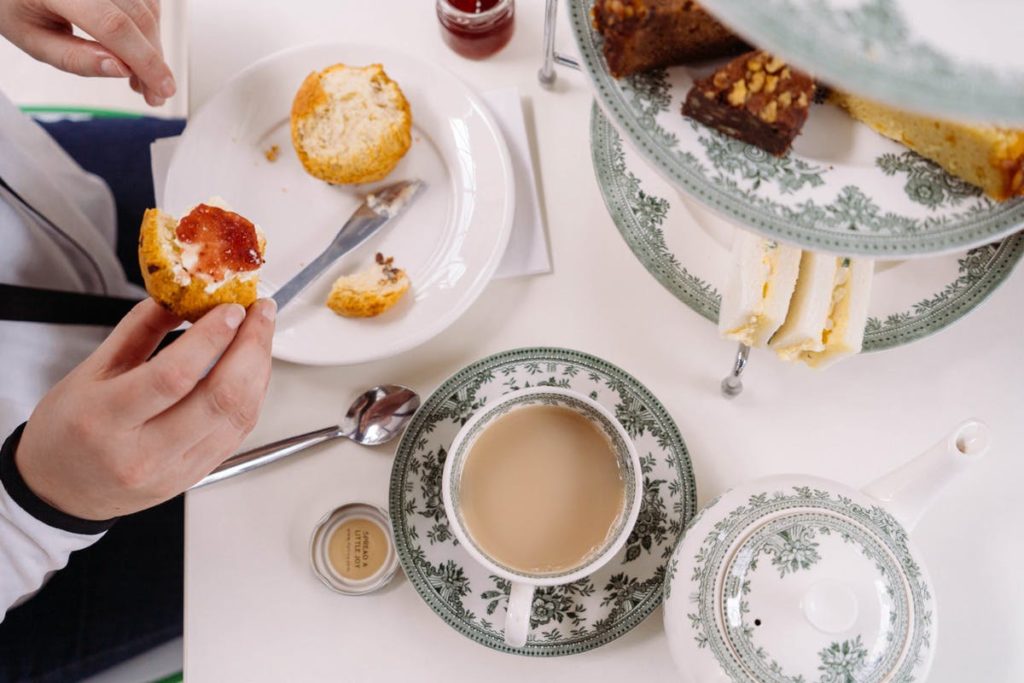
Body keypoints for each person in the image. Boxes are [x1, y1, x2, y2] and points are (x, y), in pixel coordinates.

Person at [0, 1, 276, 680]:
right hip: (49, 538)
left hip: (55, 209)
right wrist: (35, 505)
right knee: (274, 563)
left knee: (242, 134)